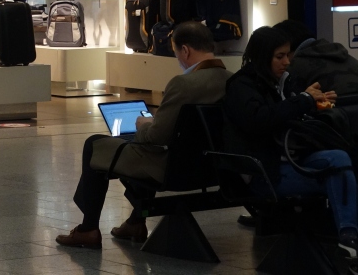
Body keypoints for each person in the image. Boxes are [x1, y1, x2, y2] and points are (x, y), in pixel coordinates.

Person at [56, 22, 231, 250]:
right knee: (139, 146)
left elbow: (156, 137)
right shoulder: (231, 80)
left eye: (176, 53)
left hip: (172, 169)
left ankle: (88, 228)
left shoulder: (182, 84)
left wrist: (143, 124)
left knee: (94, 144)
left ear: (185, 50)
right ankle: (135, 222)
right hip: (212, 168)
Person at [223, 26, 358, 267]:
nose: (287, 62)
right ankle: (355, 247)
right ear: (262, 56)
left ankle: (349, 241)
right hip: (266, 171)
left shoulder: (285, 82)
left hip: (294, 160)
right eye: (279, 56)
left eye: (288, 55)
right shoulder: (242, 86)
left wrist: (314, 104)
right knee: (342, 173)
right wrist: (303, 100)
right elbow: (259, 120)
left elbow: (291, 112)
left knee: (343, 160)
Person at [275, 19, 358, 96]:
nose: (285, 61)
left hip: (338, 116)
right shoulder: (344, 56)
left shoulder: (297, 65)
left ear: (287, 47)